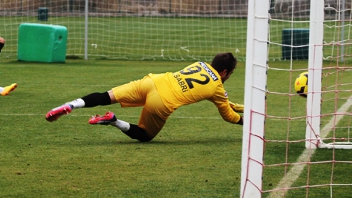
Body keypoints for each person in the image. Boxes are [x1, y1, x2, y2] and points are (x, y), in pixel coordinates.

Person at [46, 52, 244, 142]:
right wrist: (245, 121)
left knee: (106, 96)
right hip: (162, 101)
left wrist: (240, 106)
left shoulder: (199, 64)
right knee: (145, 135)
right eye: (230, 74)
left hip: (152, 82)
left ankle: (71, 105)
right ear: (225, 72)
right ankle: (113, 121)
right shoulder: (217, 86)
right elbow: (227, 114)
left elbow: (218, 98)